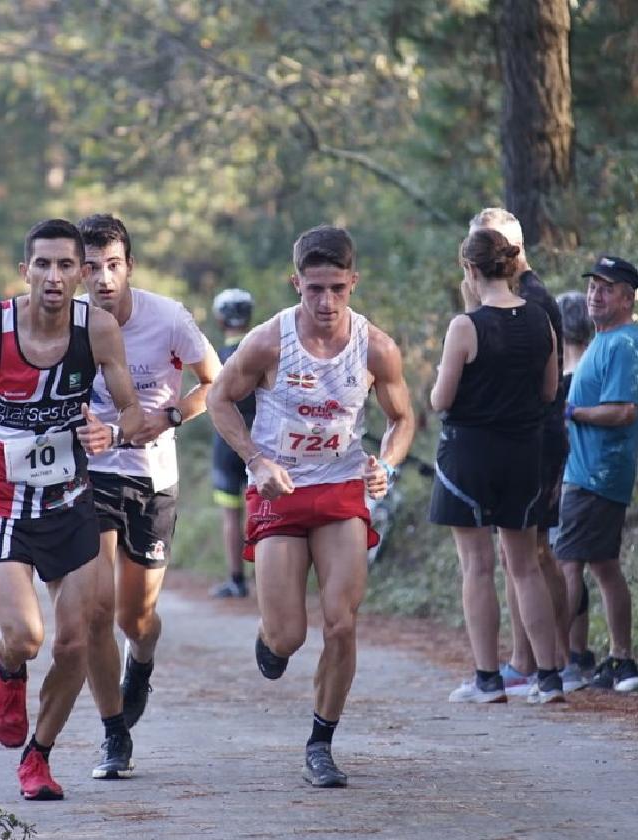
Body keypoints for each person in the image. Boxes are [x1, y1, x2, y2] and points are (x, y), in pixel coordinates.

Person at [0, 217, 144, 801]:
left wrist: (113, 434)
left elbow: (130, 411)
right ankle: (7, 668)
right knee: (26, 636)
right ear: (25, 271)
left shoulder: (98, 330)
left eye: (65, 265)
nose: (54, 277)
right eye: (43, 265)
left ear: (82, 273)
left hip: (68, 498)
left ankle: (39, 756)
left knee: (75, 642)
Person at [207, 225, 414, 787]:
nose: (325, 302)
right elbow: (218, 398)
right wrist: (254, 459)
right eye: (314, 289)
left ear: (353, 282)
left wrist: (386, 465)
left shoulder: (377, 347)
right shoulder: (268, 341)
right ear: (296, 282)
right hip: (281, 490)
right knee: (288, 637)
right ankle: (268, 636)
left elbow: (402, 418)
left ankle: (321, 743)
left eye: (337, 289)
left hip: (342, 489)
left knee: (341, 623)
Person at [76, 214, 220, 778]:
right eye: (91, 267)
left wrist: (172, 415)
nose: (103, 278)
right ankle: (114, 734)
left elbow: (217, 381)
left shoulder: (168, 319)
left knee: (136, 619)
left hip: (151, 478)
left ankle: (142, 660)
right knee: (94, 613)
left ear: (129, 266)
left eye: (113, 265)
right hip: (88, 476)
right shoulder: (68, 320)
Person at [430, 228, 563, 705]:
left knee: (477, 566)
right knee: (525, 566)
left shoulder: (465, 327)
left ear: (469, 270)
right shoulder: (541, 322)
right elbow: (549, 393)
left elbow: (441, 399)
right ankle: (549, 677)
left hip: (470, 455)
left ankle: (488, 678)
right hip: (525, 454)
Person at [466, 208, 572, 697]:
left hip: (535, 438)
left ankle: (548, 659)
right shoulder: (520, 298)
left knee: (531, 555)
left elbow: (547, 385)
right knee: (526, 556)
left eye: (488, 245)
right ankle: (531, 660)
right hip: (529, 437)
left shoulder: (532, 301)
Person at [554, 255, 638, 693]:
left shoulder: (623, 344)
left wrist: (574, 412)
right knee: (603, 566)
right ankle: (621, 660)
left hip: (596, 473)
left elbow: (623, 411)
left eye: (606, 288)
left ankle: (557, 663)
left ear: (627, 298)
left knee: (566, 564)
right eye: (593, 286)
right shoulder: (604, 339)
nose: (595, 293)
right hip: (589, 471)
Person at [554, 290, 598, 683]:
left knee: (564, 567)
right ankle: (577, 651)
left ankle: (563, 654)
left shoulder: (567, 380)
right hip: (591, 478)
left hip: (567, 479)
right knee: (576, 568)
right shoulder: (594, 368)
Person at [208, 288, 256, 598]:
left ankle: (236, 580)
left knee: (231, 515)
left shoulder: (215, 359)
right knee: (261, 511)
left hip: (226, 444)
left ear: (220, 319)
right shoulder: (260, 352)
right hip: (260, 443)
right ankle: (269, 578)